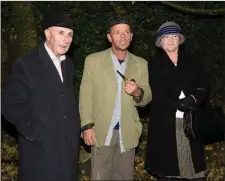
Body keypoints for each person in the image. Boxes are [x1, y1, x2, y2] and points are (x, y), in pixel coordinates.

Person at [2, 11, 80, 181]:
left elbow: (65, 100)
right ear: (47, 34)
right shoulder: (26, 65)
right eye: (61, 33)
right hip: (40, 153)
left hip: (67, 151)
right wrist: (36, 131)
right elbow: (9, 105)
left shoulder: (68, 64)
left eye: (70, 35)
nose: (66, 39)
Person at [79, 17, 152, 180]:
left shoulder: (141, 63)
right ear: (109, 37)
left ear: (131, 37)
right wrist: (86, 126)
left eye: (126, 32)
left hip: (128, 131)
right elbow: (85, 95)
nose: (122, 36)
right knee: (100, 176)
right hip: (101, 129)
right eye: (117, 32)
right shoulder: (93, 61)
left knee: (124, 177)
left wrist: (138, 92)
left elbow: (147, 96)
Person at [145, 21, 209, 181]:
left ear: (180, 40)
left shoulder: (191, 60)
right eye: (166, 37)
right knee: (170, 165)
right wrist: (176, 104)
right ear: (160, 42)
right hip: (166, 120)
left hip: (191, 117)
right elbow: (154, 91)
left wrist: (192, 99)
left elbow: (203, 84)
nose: (171, 40)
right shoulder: (153, 64)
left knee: (193, 161)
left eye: (174, 36)